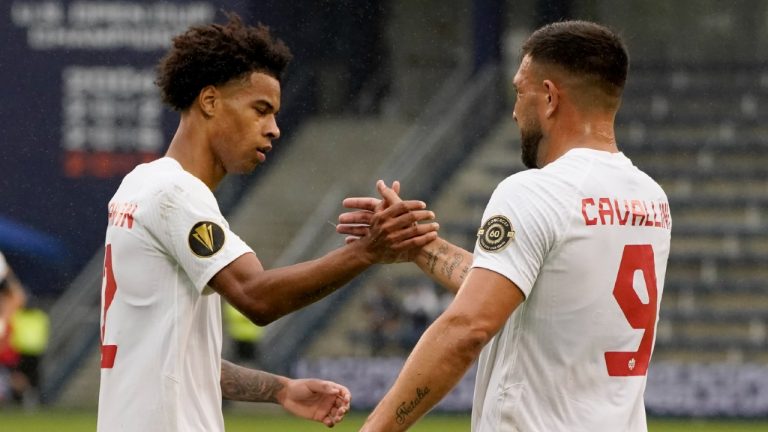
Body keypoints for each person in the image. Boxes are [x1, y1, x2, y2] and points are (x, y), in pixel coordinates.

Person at [97, 13, 439, 432]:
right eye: (260, 110)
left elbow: (181, 359)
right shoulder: (176, 193)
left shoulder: (139, 185)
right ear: (210, 101)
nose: (274, 129)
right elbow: (257, 297)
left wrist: (278, 389)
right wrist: (367, 252)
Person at [339, 20, 672, 431]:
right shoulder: (651, 199)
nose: (514, 112)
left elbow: (467, 328)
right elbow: (525, 293)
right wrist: (422, 247)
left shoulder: (536, 191)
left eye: (519, 92)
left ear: (549, 97)